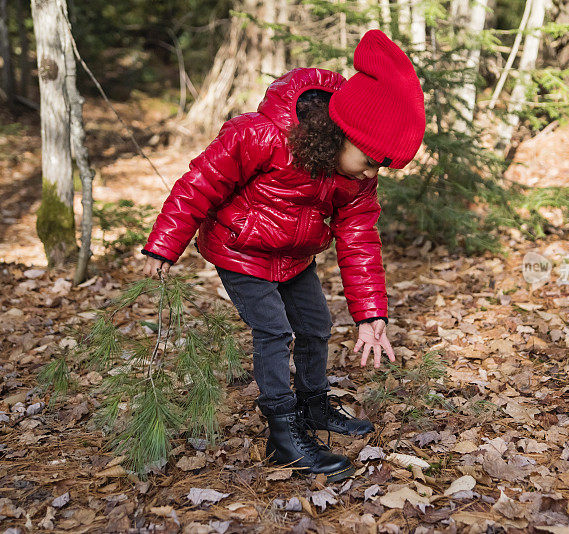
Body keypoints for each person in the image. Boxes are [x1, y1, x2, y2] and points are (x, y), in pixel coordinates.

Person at [141, 29, 425, 482]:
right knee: (274, 331)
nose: (373, 173)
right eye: (370, 161)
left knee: (315, 325)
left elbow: (359, 239)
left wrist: (371, 313)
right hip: (241, 250)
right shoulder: (261, 136)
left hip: (295, 257)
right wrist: (165, 243)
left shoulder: (355, 178)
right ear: (341, 133)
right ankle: (282, 431)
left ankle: (313, 406)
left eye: (380, 167)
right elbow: (201, 182)